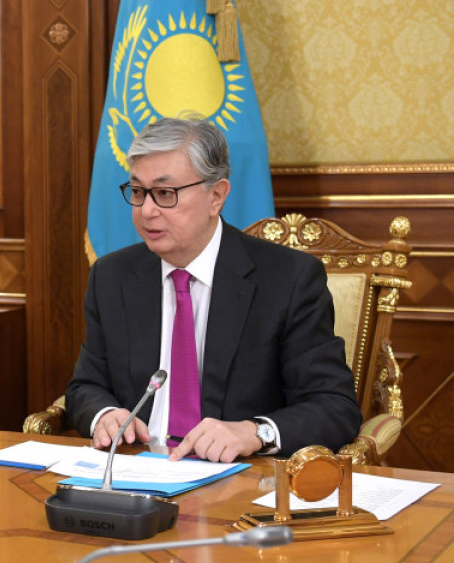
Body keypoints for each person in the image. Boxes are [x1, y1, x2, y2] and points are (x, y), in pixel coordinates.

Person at [65, 117, 362, 463]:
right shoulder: (112, 276)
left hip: (241, 477)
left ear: (216, 196)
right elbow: (86, 386)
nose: (146, 210)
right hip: (132, 472)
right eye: (137, 191)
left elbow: (334, 406)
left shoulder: (288, 279)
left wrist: (255, 432)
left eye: (165, 194)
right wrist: (104, 415)